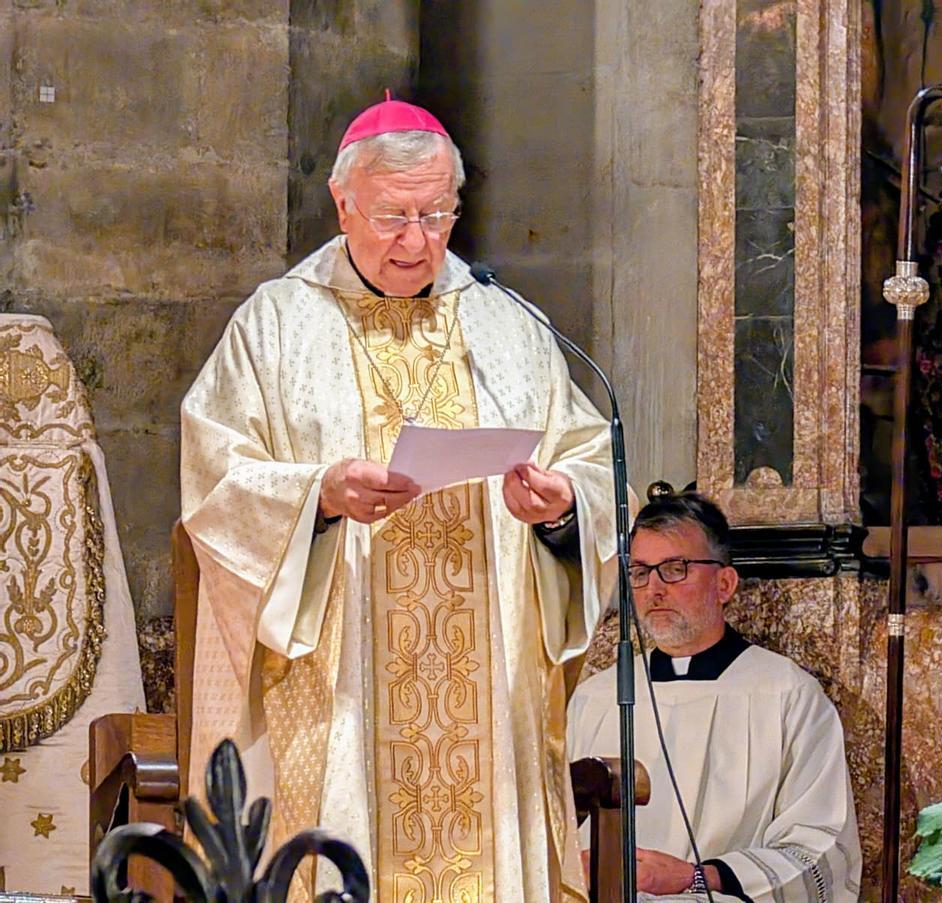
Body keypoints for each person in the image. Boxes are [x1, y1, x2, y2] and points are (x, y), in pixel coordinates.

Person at [180, 96, 618, 903]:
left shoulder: (506, 319)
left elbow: (590, 457)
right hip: (338, 684)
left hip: (489, 685)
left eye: (436, 215)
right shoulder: (275, 324)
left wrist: (560, 506)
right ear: (343, 203)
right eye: (392, 217)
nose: (417, 241)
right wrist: (318, 494)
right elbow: (217, 483)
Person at [568, 491, 861, 902]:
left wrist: (695, 877)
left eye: (674, 569)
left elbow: (820, 849)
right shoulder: (595, 698)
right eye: (639, 572)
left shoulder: (786, 696)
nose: (654, 589)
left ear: (724, 583)